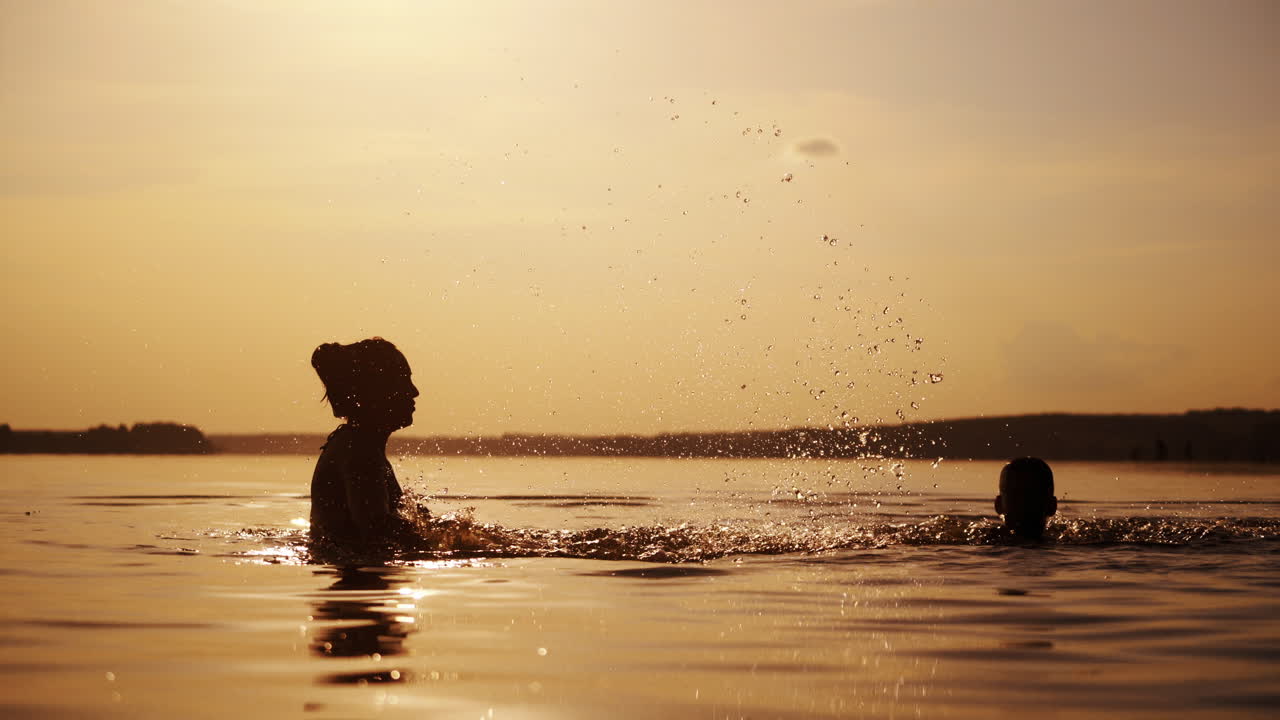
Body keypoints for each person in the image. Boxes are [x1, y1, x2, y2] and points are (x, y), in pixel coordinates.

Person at [309, 338, 419, 545]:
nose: (414, 392)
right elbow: (375, 531)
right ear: (374, 391)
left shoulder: (357, 445)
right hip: (359, 572)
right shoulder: (359, 452)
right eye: (403, 381)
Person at [994, 457, 1057, 540]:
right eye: (1016, 496)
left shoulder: (982, 541)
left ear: (998, 505)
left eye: (1033, 495)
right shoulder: (1068, 543)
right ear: (1052, 506)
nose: (1024, 504)